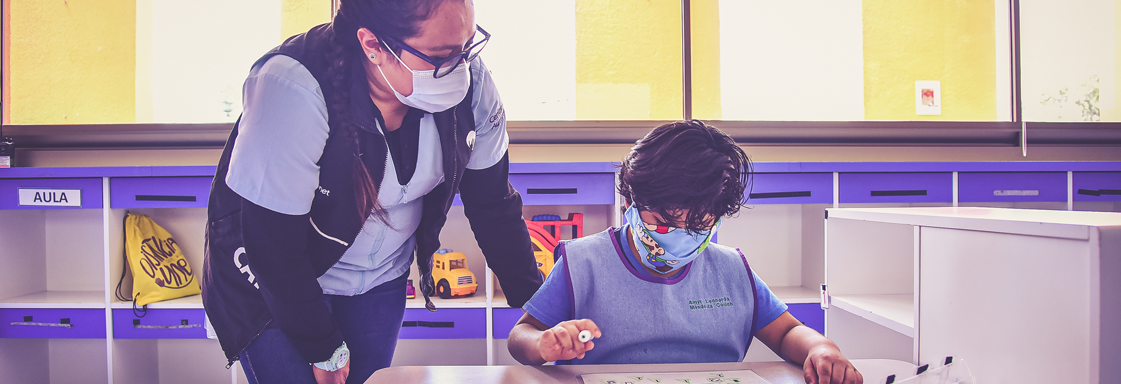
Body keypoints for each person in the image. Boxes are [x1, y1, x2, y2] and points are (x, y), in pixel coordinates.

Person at [201, 1, 542, 383]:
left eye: (467, 48)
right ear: (373, 45)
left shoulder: (470, 81)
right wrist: (320, 346)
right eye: (440, 56)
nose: (460, 69)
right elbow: (272, 245)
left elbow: (494, 205)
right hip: (273, 280)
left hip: (379, 276)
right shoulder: (292, 87)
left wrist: (542, 310)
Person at [507, 120, 864, 384]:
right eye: (663, 222)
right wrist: (544, 345)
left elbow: (786, 333)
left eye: (697, 226)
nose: (679, 237)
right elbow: (520, 336)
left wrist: (820, 348)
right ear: (630, 202)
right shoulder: (582, 263)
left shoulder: (731, 270)